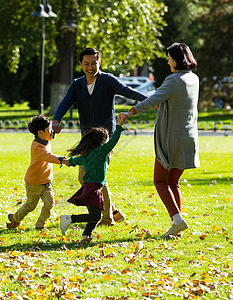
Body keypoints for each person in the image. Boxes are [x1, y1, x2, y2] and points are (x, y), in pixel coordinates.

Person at [52, 47, 147, 226]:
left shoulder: (107, 80)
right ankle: (112, 212)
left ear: (99, 63)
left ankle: (108, 217)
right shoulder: (77, 84)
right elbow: (66, 102)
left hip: (104, 139)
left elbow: (127, 91)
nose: (90, 67)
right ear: (80, 64)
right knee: (87, 177)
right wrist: (56, 119)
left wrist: (149, 101)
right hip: (87, 139)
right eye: (86, 63)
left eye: (94, 63)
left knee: (95, 177)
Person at [119, 42, 200, 239]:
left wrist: (129, 113)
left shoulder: (173, 79)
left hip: (171, 138)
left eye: (169, 58)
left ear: (176, 59)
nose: (168, 61)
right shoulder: (194, 78)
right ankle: (177, 225)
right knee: (174, 182)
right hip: (188, 136)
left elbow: (151, 100)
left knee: (160, 180)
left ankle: (177, 220)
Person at [59, 114, 126, 242]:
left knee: (95, 216)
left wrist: (63, 161)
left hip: (88, 188)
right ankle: (69, 219)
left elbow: (71, 162)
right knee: (95, 215)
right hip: (93, 189)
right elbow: (114, 141)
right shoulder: (101, 151)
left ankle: (86, 236)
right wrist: (119, 126)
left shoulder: (86, 154)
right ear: (101, 141)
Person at [6, 114, 65, 231]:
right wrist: (61, 159)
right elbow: (47, 156)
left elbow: (49, 150)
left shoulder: (46, 140)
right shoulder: (37, 147)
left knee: (50, 203)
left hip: (46, 182)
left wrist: (53, 129)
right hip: (34, 182)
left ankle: (40, 225)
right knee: (30, 206)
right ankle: (15, 218)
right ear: (40, 133)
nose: (51, 132)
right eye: (49, 130)